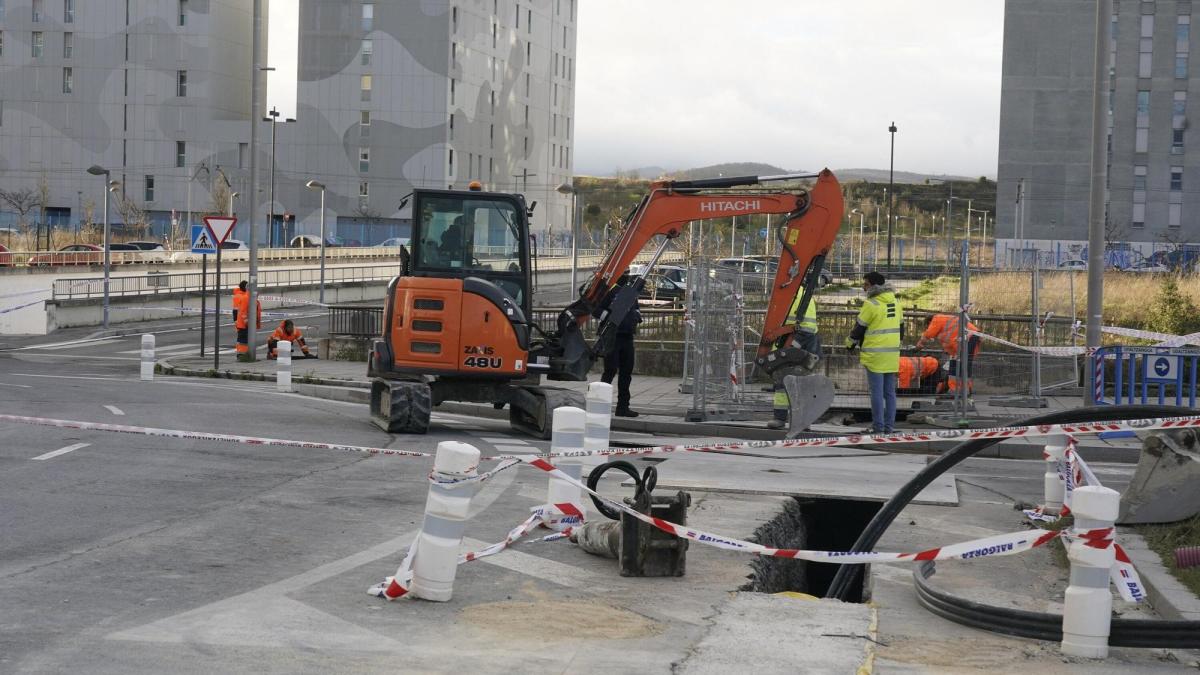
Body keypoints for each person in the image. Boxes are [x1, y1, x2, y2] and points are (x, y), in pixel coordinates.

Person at [845, 271, 903, 433]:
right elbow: (901, 329)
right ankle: (889, 427)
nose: (863, 287)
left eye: (866, 284)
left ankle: (878, 427)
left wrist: (849, 344)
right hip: (892, 354)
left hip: (874, 355)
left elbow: (859, 329)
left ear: (874, 286)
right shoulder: (896, 302)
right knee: (890, 393)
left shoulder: (871, 304)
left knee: (876, 393)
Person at [769, 289, 823, 430]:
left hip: (793, 337)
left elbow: (777, 319)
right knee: (800, 381)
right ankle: (802, 420)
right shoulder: (804, 293)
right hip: (805, 339)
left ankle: (780, 418)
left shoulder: (788, 291)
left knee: (783, 381)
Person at [600, 276, 642, 417]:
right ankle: (600, 405)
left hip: (627, 336)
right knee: (610, 370)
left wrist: (635, 318)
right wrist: (610, 317)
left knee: (626, 373)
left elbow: (636, 310)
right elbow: (597, 310)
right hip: (613, 336)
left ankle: (623, 407)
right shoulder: (610, 291)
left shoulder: (630, 292)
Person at [916, 313, 981, 395]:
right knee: (965, 365)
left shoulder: (937, 319)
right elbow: (950, 342)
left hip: (967, 337)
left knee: (956, 364)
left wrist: (920, 344)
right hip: (970, 336)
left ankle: (955, 391)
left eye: (928, 326)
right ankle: (966, 390)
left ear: (929, 322)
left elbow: (929, 334)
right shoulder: (944, 322)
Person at [233, 280, 261, 359]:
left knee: (246, 340)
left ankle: (245, 354)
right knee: (243, 340)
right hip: (244, 324)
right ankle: (241, 355)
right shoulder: (246, 298)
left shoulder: (252, 299)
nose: (257, 292)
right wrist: (247, 322)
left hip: (248, 324)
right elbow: (243, 311)